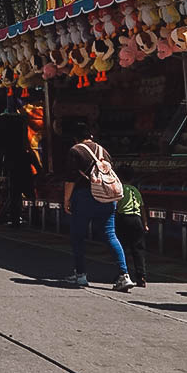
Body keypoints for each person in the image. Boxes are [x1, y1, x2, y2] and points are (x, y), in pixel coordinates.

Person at [62, 120, 135, 291]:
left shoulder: (75, 150)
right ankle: (123, 275)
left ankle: (80, 275)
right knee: (110, 235)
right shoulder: (104, 151)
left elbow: (71, 179)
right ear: (91, 136)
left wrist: (67, 199)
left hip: (84, 197)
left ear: (75, 138)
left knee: (78, 236)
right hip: (107, 198)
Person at [115, 165, 148, 287]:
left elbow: (116, 205)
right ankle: (141, 276)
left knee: (122, 247)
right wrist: (145, 223)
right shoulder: (135, 190)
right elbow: (142, 207)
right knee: (138, 249)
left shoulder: (120, 189)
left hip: (124, 218)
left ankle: (123, 274)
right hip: (137, 220)